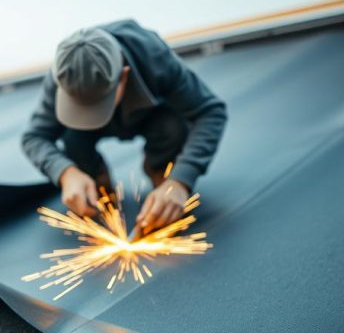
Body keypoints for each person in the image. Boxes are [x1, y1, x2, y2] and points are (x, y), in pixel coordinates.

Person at [21, 19, 227, 235]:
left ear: (123, 76)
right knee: (72, 136)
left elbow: (211, 111)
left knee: (172, 125)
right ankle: (94, 185)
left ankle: (163, 179)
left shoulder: (155, 58)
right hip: (82, 141)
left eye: (97, 105)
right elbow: (33, 137)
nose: (89, 114)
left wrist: (181, 180)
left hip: (154, 118)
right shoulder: (63, 74)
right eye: (80, 107)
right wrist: (66, 172)